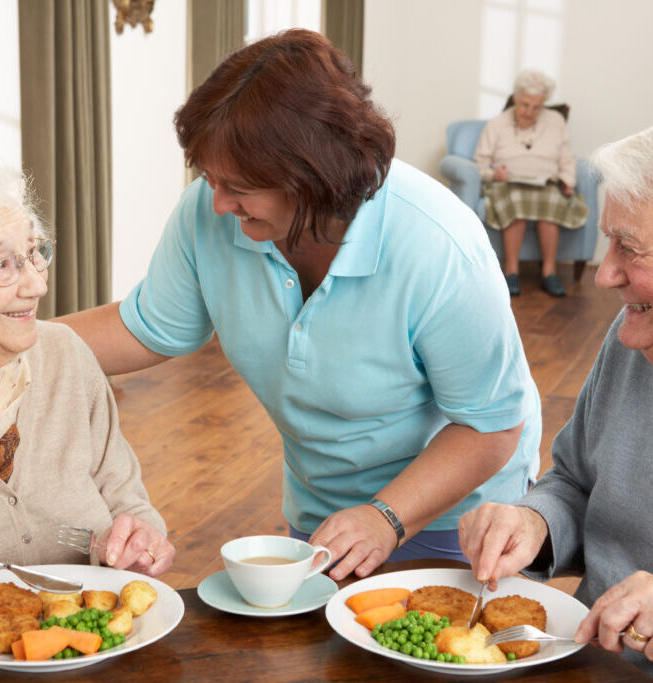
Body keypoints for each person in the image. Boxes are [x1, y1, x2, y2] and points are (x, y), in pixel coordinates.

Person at [60, 29, 541, 582]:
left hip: (459, 516)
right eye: (209, 178)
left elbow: (491, 426)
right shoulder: (213, 213)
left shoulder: (439, 245)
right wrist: (5, 343)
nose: (217, 202)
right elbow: (144, 328)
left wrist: (387, 516)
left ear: (314, 177)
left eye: (238, 185)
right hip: (325, 509)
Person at [459, 126, 653, 674]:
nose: (605, 274)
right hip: (592, 659)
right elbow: (573, 481)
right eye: (607, 243)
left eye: (630, 249)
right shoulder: (632, 337)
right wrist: (534, 525)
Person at [0, 154, 175, 580]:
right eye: (4, 264)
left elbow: (127, 501)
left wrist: (142, 537)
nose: (38, 285)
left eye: (34, 254)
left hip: (94, 634)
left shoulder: (64, 353)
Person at [474, 69, 589, 298]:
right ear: (515, 99)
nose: (529, 112)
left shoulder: (555, 121)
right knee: (516, 200)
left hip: (545, 183)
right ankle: (512, 271)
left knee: (552, 200)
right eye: (525, 104)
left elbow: (567, 157)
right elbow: (480, 163)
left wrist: (567, 181)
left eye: (537, 107)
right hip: (507, 184)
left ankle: (549, 273)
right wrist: (494, 174)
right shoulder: (497, 124)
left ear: (544, 103)